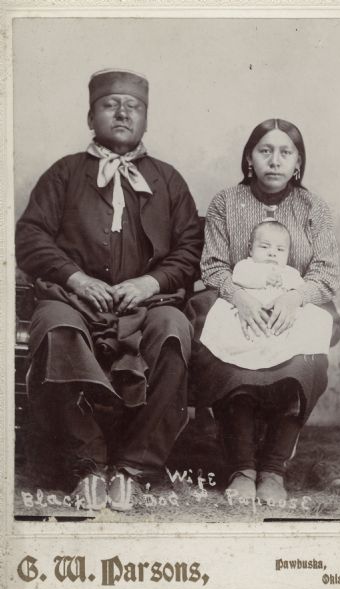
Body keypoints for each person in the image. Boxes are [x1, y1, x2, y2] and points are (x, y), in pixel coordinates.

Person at [15, 69, 203, 511]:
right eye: (110, 104)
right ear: (90, 115)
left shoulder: (169, 181)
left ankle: (133, 468)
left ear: (145, 120)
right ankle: (86, 467)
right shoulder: (63, 174)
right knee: (56, 327)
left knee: (174, 329)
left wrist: (149, 282)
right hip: (74, 301)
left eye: (133, 106)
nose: (122, 113)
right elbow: (30, 237)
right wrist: (76, 278)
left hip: (148, 304)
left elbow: (190, 247)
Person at [186, 118, 340, 504]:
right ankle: (243, 467)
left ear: (298, 163)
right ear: (249, 158)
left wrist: (294, 298)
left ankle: (273, 468)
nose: (275, 160)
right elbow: (214, 265)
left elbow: (326, 271)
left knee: (306, 364)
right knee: (227, 362)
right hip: (235, 303)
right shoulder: (225, 201)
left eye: (285, 152)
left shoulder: (313, 207)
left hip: (296, 305)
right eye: (265, 150)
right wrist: (241, 298)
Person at [200, 220, 333, 369]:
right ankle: (244, 354)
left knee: (320, 317)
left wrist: (288, 288)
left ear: (288, 254)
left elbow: (299, 289)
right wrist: (263, 278)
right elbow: (238, 277)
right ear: (251, 249)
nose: (272, 252)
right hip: (248, 309)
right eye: (264, 247)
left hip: (280, 315)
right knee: (226, 321)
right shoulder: (247, 265)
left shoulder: (289, 272)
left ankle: (289, 352)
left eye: (280, 250)